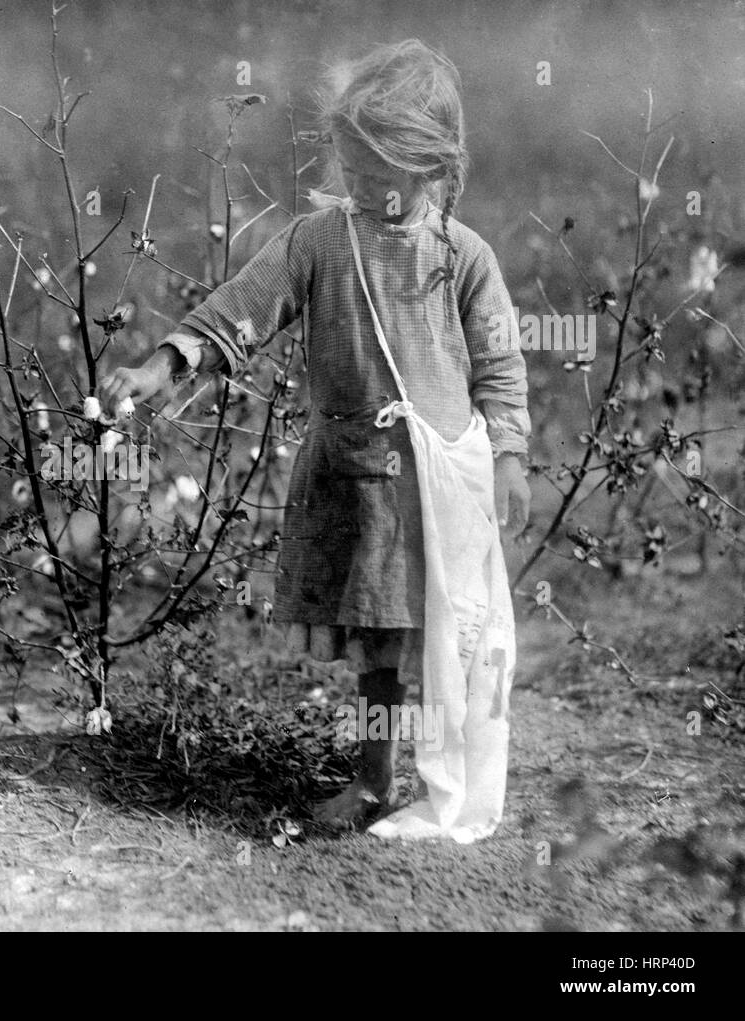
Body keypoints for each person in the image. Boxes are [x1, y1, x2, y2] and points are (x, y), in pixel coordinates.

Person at [101, 39, 530, 829]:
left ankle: (450, 770)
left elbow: (500, 365)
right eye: (350, 169)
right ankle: (373, 781)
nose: (359, 188)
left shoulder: (463, 260)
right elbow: (241, 306)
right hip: (353, 480)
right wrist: (166, 362)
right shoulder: (321, 242)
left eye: (378, 175)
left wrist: (508, 455)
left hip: (436, 492)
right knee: (377, 641)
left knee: (443, 639)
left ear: (429, 167)